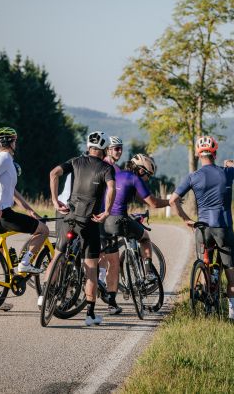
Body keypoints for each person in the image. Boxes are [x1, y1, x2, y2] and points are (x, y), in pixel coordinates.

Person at [42, 131, 116, 326]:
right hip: (89, 221)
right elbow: (112, 189)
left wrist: (54, 200)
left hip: (69, 216)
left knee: (58, 253)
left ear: (89, 146)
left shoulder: (75, 161)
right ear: (103, 149)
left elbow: (53, 173)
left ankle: (44, 294)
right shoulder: (107, 168)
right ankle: (90, 315)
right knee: (91, 267)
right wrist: (107, 211)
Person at [168, 136, 234, 321]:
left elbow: (173, 200)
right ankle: (233, 317)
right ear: (215, 153)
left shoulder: (193, 177)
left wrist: (186, 219)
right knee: (232, 276)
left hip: (203, 228)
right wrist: (231, 163)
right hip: (223, 227)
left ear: (198, 155)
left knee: (204, 264)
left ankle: (206, 302)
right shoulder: (226, 172)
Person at [0, 127, 50, 311]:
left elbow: (13, 193)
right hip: (1, 214)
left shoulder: (7, 163)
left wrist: (29, 211)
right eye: (15, 141)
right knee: (43, 230)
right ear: (11, 142)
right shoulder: (4, 159)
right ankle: (25, 263)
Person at [103, 153, 170, 307]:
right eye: (148, 175)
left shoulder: (118, 174)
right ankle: (148, 273)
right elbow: (152, 203)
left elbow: (139, 198)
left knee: (109, 256)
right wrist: (170, 202)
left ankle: (110, 285)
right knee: (145, 238)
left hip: (104, 220)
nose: (147, 179)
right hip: (118, 219)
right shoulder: (135, 178)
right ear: (141, 171)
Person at [98, 136, 124, 314]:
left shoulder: (98, 165)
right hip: (105, 217)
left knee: (98, 254)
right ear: (107, 150)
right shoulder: (110, 168)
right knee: (113, 260)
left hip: (91, 215)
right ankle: (111, 302)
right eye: (115, 148)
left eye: (120, 148)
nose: (119, 151)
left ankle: (99, 281)